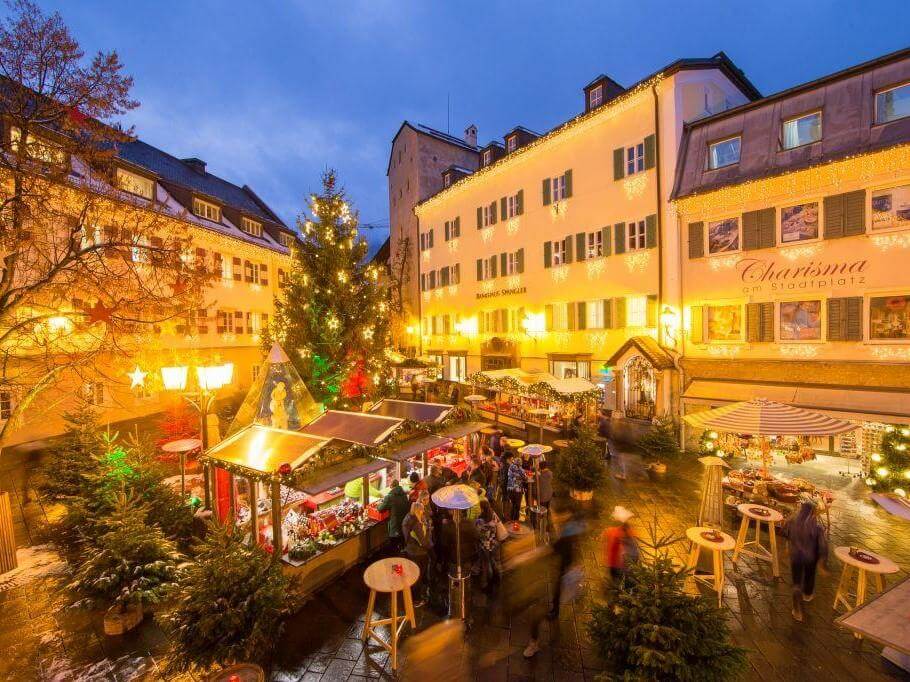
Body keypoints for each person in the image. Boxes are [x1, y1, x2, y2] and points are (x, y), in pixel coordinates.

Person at [524, 502, 587, 658]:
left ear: (564, 514)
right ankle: (556, 610)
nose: (554, 517)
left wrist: (541, 552)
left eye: (555, 514)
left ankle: (559, 608)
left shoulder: (568, 531)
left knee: (560, 585)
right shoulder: (569, 526)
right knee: (558, 586)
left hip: (564, 563)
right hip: (564, 563)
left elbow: (557, 547)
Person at [781, 498, 828, 622]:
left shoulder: (792, 522)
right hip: (810, 558)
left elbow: (784, 531)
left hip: (795, 556)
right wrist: (822, 563)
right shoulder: (817, 528)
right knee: (809, 576)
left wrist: (787, 546)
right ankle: (807, 594)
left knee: (796, 580)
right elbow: (823, 546)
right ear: (812, 513)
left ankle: (796, 603)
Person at [402, 502, 434, 603]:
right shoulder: (416, 524)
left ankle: (414, 595)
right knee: (418, 575)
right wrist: (429, 530)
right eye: (422, 509)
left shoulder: (408, 518)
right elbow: (423, 542)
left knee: (414, 574)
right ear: (418, 511)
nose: (423, 511)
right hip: (418, 553)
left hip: (411, 550)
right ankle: (416, 599)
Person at [601, 505, 639, 582]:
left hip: (616, 562)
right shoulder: (630, 533)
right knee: (624, 575)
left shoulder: (612, 532)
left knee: (616, 575)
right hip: (622, 561)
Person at [475, 500, 503, 592]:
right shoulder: (493, 515)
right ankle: (497, 577)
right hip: (494, 543)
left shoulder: (480, 520)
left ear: (482, 509)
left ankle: (489, 583)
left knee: (487, 564)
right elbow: (498, 525)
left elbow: (478, 534)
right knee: (493, 561)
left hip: (485, 545)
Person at [377, 479, 411, 551]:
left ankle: (395, 554)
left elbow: (380, 509)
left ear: (391, 486)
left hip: (395, 525)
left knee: (394, 544)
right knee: (402, 542)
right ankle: (402, 553)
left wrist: (378, 504)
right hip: (404, 522)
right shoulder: (404, 494)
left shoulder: (389, 497)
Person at [505, 453, 528, 522]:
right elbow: (525, 478)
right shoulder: (521, 470)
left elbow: (510, 475)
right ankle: (516, 520)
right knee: (517, 506)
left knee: (512, 504)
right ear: (520, 463)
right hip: (517, 490)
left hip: (509, 489)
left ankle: (511, 519)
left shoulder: (510, 467)